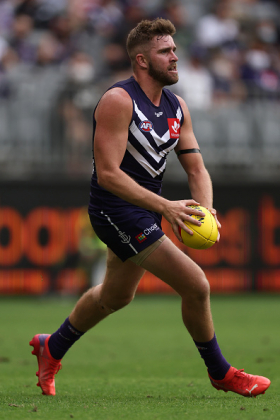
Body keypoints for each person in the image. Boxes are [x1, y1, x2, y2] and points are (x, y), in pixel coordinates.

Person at [30, 18, 271, 398]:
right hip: (114, 209)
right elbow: (108, 175)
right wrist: (168, 208)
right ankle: (221, 373)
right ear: (142, 60)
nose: (175, 57)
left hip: (145, 209)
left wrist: (204, 211)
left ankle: (51, 347)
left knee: (115, 297)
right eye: (166, 51)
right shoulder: (117, 100)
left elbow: (196, 168)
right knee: (196, 286)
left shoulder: (177, 106)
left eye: (174, 49)